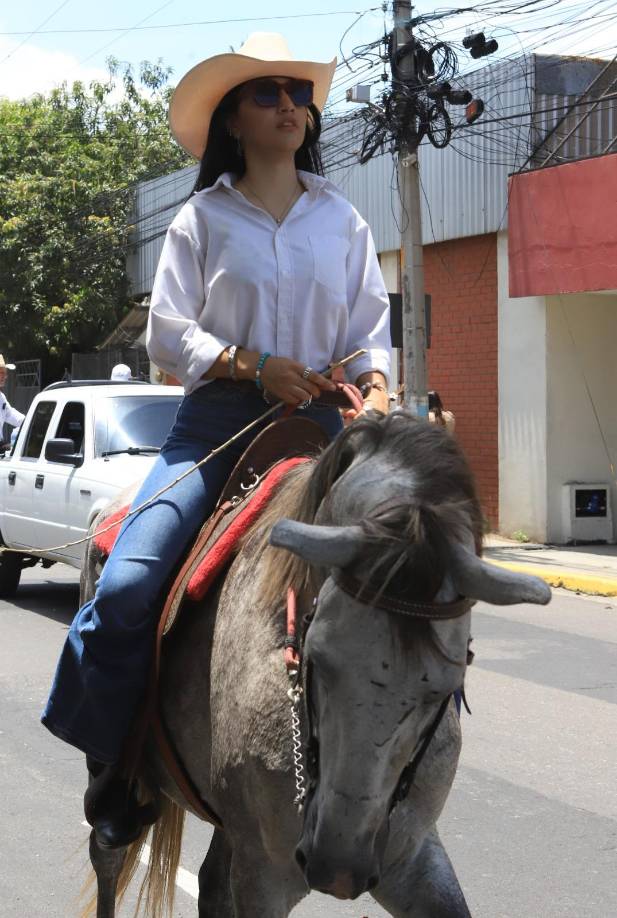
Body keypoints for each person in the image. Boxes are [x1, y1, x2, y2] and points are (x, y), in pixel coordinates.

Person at [41, 32, 391, 848]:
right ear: (233, 118)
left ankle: (402, 760)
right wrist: (250, 363)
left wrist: (374, 390)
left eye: (296, 94)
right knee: (128, 588)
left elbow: (371, 326)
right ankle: (116, 765)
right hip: (217, 425)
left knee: (416, 561)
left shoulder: (340, 218)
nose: (288, 106)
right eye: (266, 94)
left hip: (322, 426)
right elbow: (168, 336)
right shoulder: (201, 218)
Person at [0, 354, 25, 449]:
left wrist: (31, 422)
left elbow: (11, 415)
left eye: (4, 373)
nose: (4, 376)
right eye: (0, 373)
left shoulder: (1, 397)